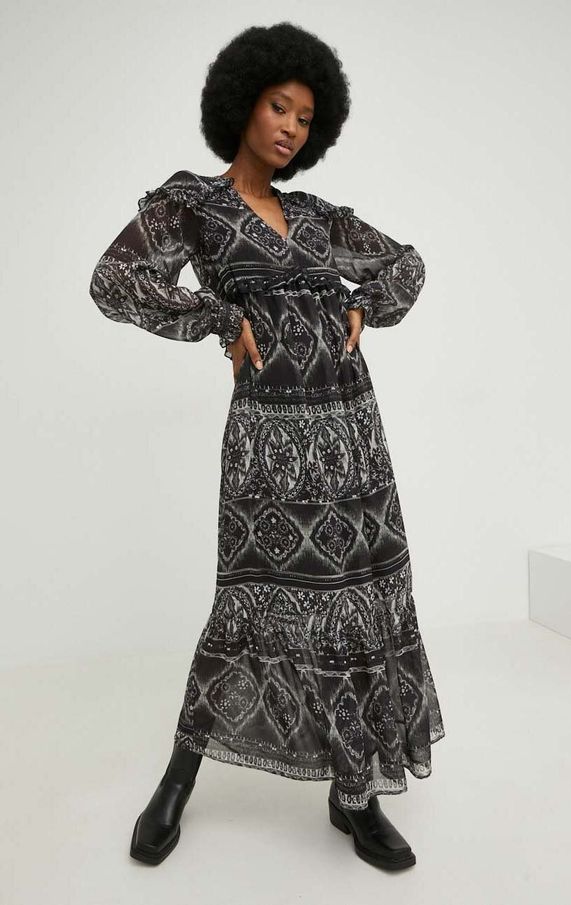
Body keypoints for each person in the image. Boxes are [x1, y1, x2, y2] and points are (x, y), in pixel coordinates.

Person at [89, 21, 445, 872]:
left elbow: (405, 265)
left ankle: (353, 796)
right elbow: (113, 280)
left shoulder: (319, 217)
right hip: (268, 439)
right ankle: (177, 781)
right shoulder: (193, 204)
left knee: (356, 603)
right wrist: (216, 316)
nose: (290, 126)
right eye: (279, 106)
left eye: (305, 117)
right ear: (243, 103)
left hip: (351, 435)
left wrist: (363, 303)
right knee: (247, 602)